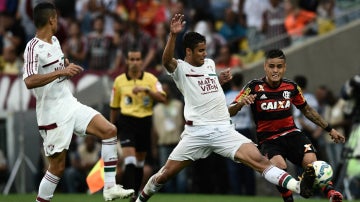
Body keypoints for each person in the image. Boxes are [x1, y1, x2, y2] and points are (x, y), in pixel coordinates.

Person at [135, 14, 316, 202]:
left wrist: (218, 80)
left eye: (205, 50)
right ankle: (140, 199)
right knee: (164, 175)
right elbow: (166, 60)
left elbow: (207, 87)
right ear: (188, 51)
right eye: (200, 51)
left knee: (260, 161)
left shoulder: (210, 64)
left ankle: (298, 186)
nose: (205, 54)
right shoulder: (180, 69)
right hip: (196, 132)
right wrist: (172, 35)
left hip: (223, 129)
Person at [22, 2, 134, 202]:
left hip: (69, 104)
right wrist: (62, 71)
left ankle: (109, 187)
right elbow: (29, 80)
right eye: (56, 18)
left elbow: (58, 69)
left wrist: (66, 67)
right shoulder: (33, 47)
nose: (58, 21)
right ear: (51, 19)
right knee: (57, 167)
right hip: (52, 113)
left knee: (109, 130)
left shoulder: (55, 41)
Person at [228, 49, 346, 202]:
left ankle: (331, 193)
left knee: (311, 161)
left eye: (279, 66)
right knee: (279, 167)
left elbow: (308, 111)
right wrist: (241, 103)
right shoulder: (254, 87)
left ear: (284, 68)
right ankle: (289, 199)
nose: (275, 70)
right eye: (271, 66)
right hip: (268, 139)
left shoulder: (291, 87)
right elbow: (230, 111)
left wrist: (330, 129)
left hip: (292, 134)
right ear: (265, 66)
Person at [109, 49, 166, 201]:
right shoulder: (119, 81)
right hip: (126, 121)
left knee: (140, 163)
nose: (134, 62)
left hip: (145, 122)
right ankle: (132, 193)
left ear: (142, 61)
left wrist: (146, 90)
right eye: (132, 59)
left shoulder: (151, 79)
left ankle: (135, 193)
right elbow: (114, 107)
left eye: (137, 59)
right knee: (130, 160)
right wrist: (112, 128)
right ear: (127, 62)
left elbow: (162, 98)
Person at [224, 72, 256, 195]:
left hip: (232, 130)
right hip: (246, 131)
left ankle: (236, 192)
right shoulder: (246, 96)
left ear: (232, 82)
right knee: (250, 163)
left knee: (233, 164)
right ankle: (250, 193)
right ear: (242, 82)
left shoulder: (226, 97)